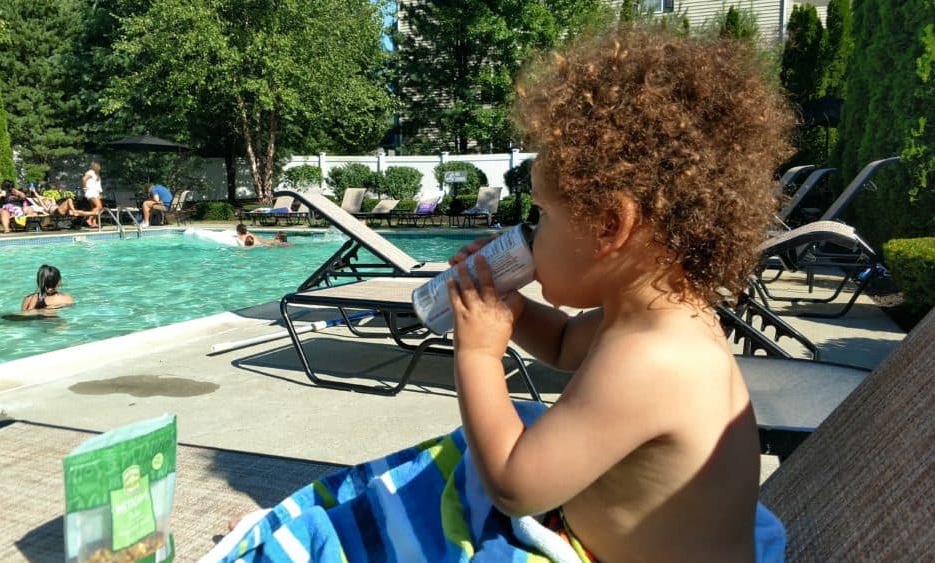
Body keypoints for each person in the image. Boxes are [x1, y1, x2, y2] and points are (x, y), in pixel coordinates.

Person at [209, 29, 793, 562]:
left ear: (610, 227)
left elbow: (514, 484)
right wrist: (510, 310)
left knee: (476, 468)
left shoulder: (654, 361)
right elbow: (566, 344)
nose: (529, 233)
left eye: (542, 215)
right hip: (604, 531)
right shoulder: (661, 317)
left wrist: (478, 354)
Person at [77, 161, 103, 228]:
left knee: (94, 207)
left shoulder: (96, 174)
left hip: (96, 192)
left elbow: (97, 184)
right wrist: (85, 188)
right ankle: (89, 219)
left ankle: (93, 222)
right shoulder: (90, 172)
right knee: (99, 206)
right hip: (91, 192)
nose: (99, 168)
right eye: (98, 166)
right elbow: (84, 179)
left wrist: (99, 193)